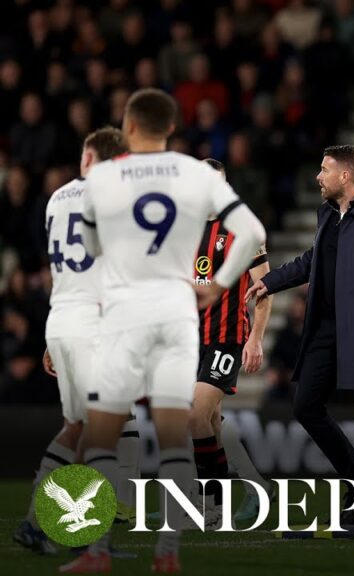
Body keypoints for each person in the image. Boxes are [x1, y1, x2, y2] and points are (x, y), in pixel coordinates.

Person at [64, 88, 266, 573]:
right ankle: (206, 508)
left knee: (180, 418)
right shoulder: (182, 209)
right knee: (197, 424)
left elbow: (260, 272)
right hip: (180, 333)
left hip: (208, 334)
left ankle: (199, 506)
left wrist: (250, 329)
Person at [246, 145, 354, 520]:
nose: (318, 177)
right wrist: (271, 282)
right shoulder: (327, 213)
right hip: (324, 328)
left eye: (324, 170)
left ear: (345, 176)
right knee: (305, 406)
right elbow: (313, 260)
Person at [14, 127, 130, 557]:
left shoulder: (56, 198)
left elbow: (62, 267)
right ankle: (80, 537)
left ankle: (39, 523)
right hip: (94, 325)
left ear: (87, 158)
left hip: (61, 319)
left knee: (78, 427)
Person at [188, 158, 273, 526]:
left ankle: (211, 503)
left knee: (195, 415)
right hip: (192, 339)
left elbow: (265, 290)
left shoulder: (243, 229)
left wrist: (256, 338)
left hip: (227, 338)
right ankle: (223, 500)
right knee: (210, 422)